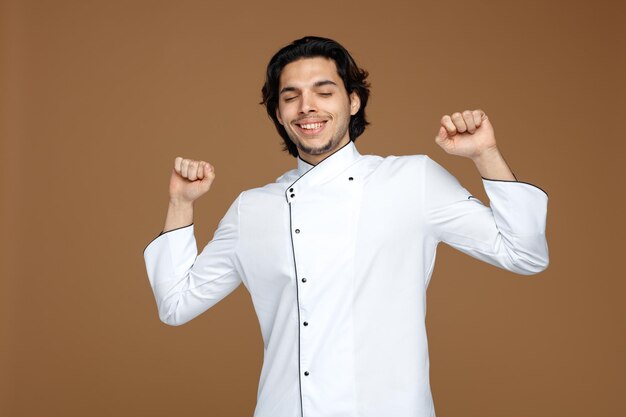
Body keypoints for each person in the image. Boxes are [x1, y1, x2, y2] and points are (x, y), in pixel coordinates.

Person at [143, 36, 549, 417]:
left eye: (324, 91)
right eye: (291, 96)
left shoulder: (412, 180)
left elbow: (524, 254)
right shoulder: (252, 209)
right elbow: (175, 305)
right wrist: (180, 203)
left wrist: (486, 155)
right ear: (279, 113)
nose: (307, 107)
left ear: (352, 101)